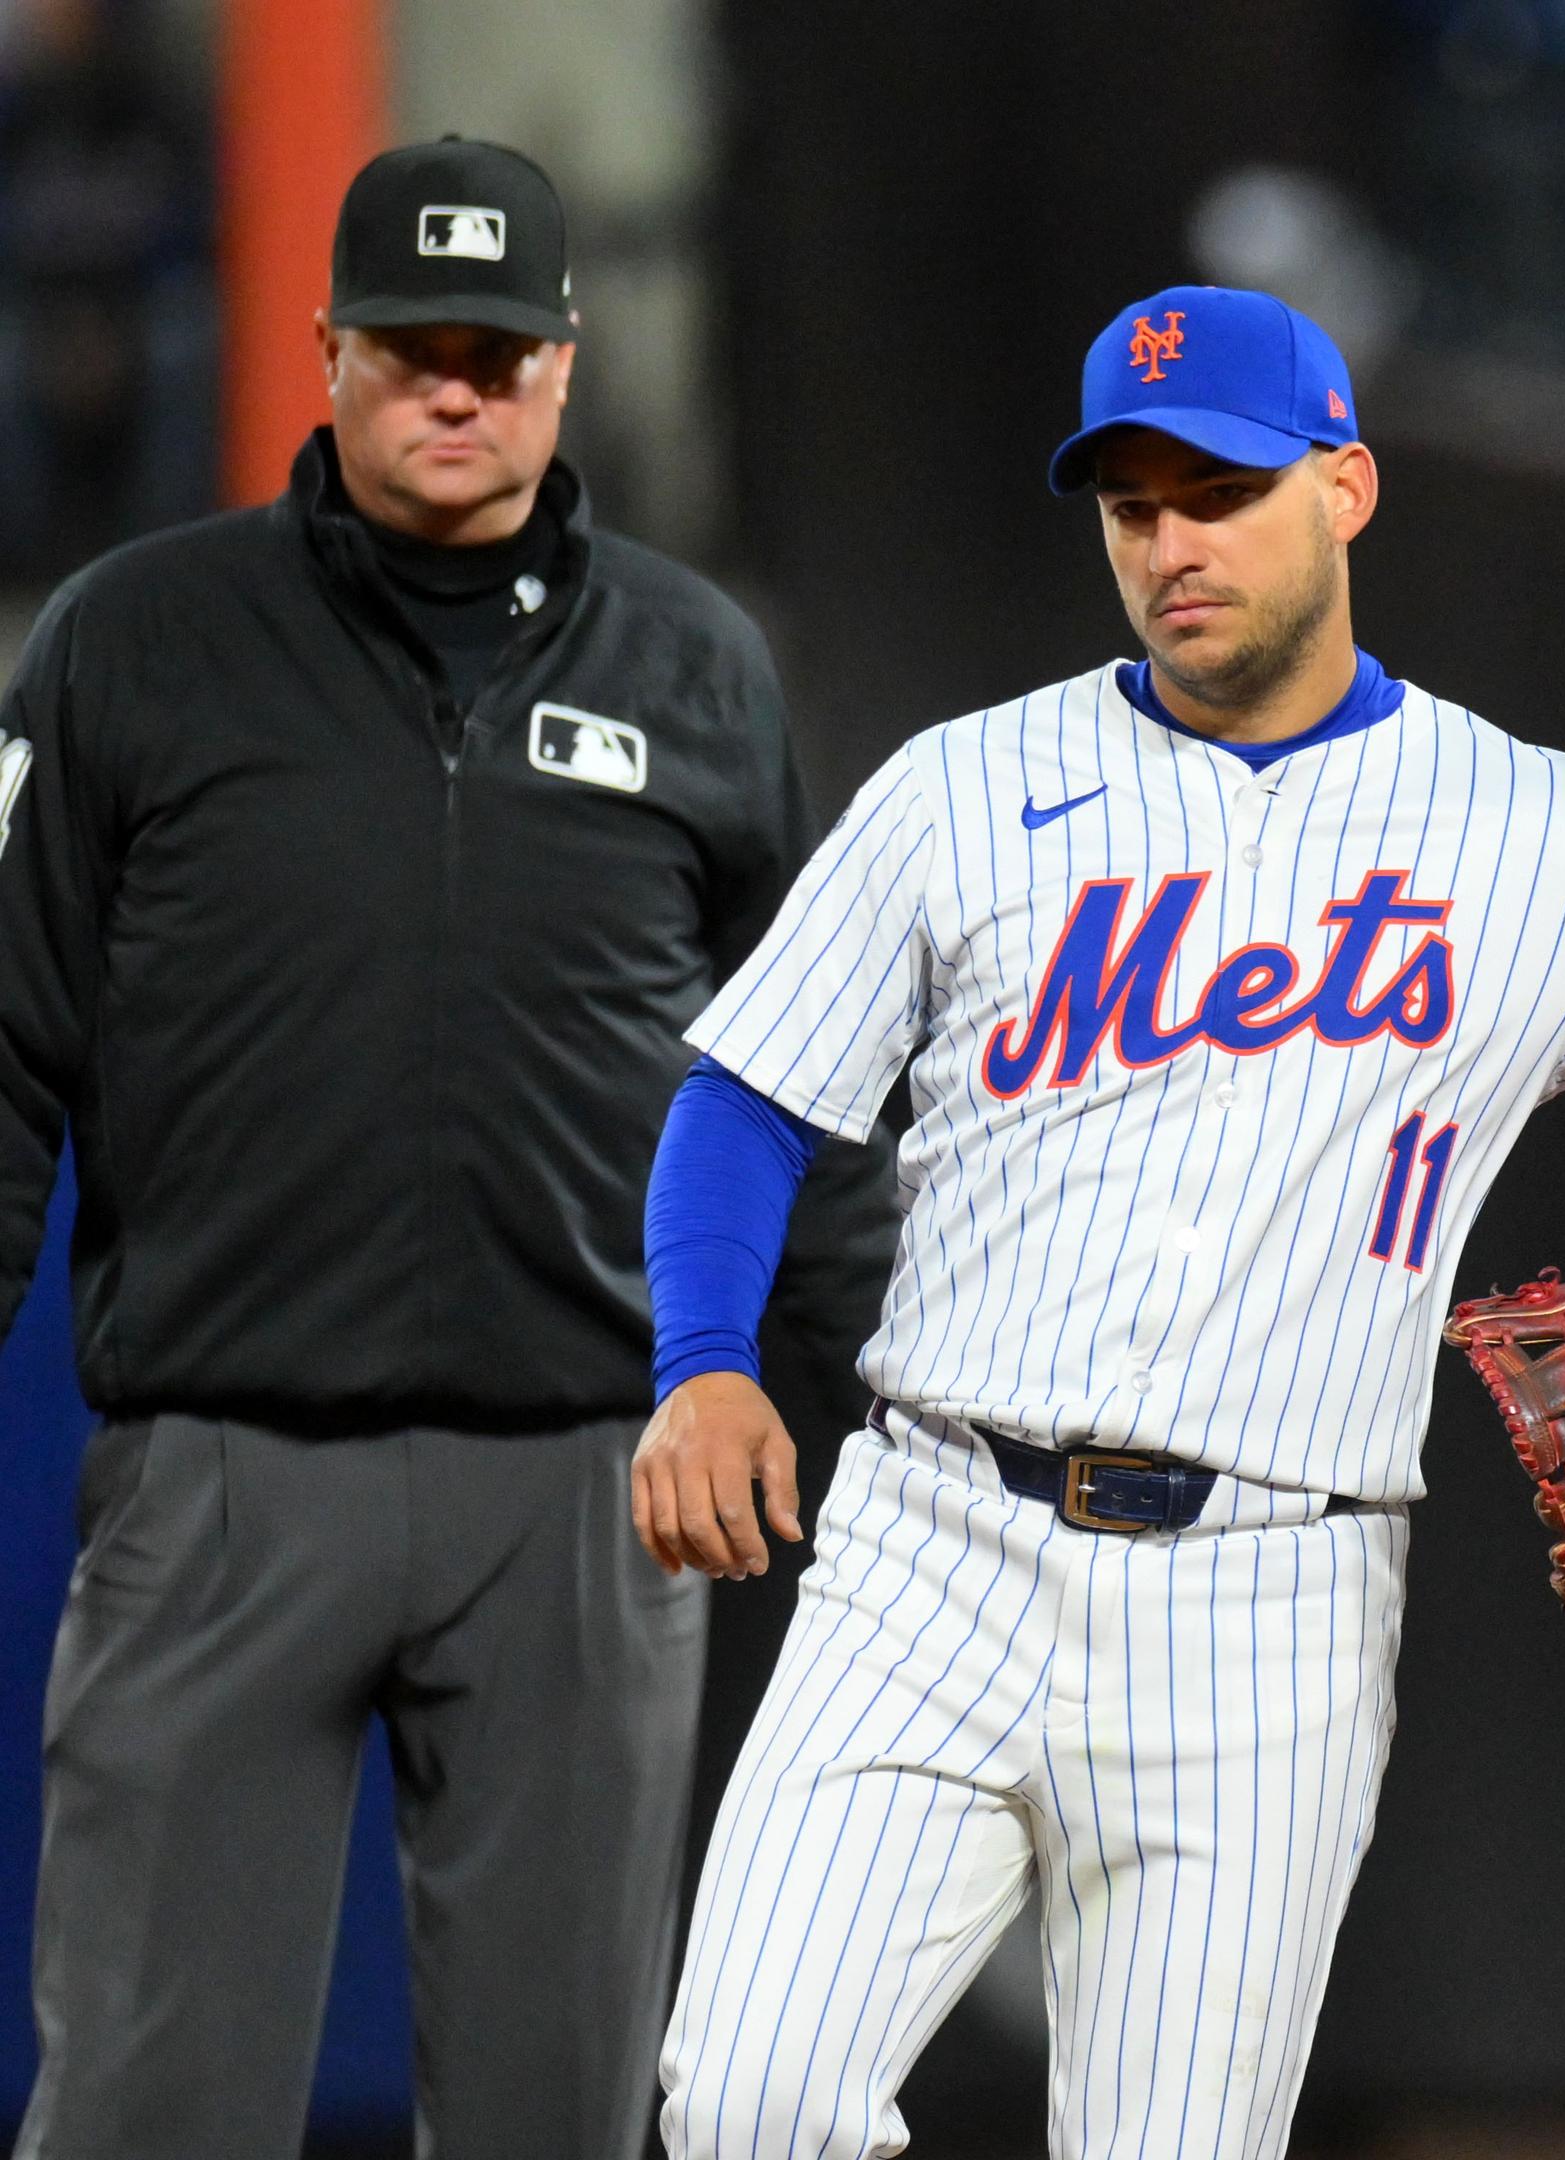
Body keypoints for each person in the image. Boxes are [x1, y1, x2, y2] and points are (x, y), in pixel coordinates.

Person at [644, 284, 1565, 2157]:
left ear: (1348, 487)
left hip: (1274, 1593)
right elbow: (748, 1097)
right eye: (1132, 503)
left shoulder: (1530, 828)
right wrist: (704, 1363)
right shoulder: (963, 787)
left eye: (1218, 491)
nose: (1172, 545)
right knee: (747, 2102)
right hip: (928, 1543)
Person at [0, 137, 878, 2158]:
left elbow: (806, 1081)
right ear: (326, 355)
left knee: (558, 2114)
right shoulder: (136, 642)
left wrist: (868, 1401)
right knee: (147, 2104)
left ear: (564, 364)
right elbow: (3, 1048)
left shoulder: (701, 668)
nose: (454, 390)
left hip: (584, 1487)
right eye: (413, 348)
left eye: (496, 347)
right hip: (224, 1473)